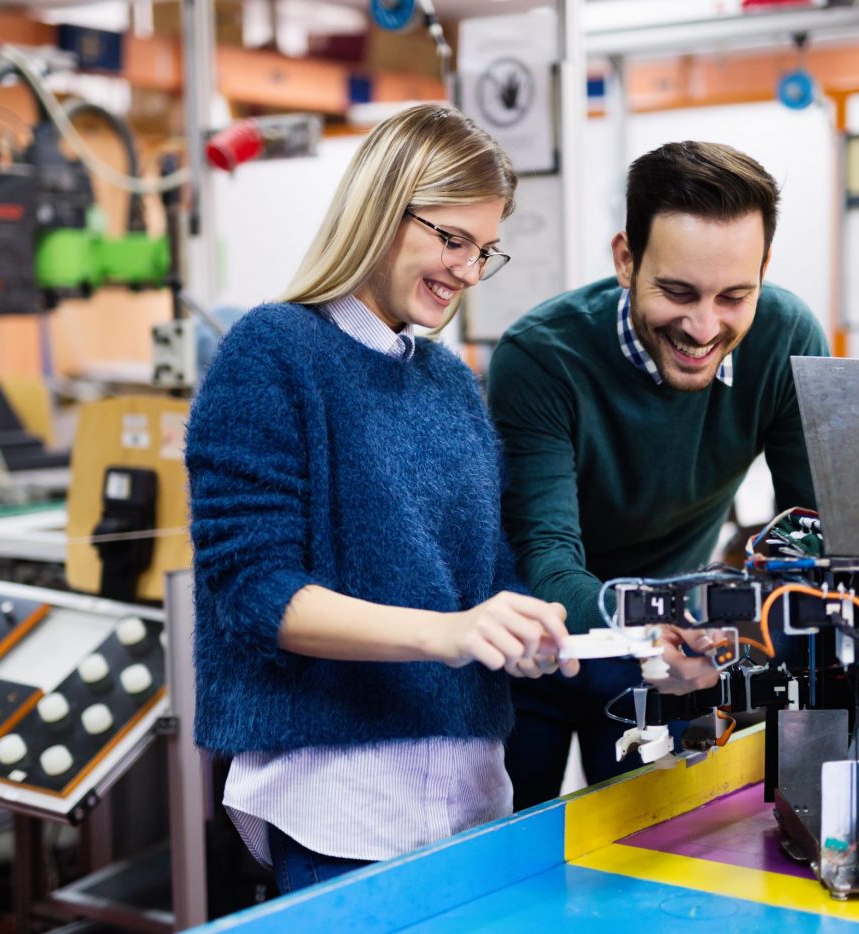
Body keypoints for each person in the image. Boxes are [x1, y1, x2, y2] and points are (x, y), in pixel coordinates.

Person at [186, 103, 579, 895]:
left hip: (471, 796)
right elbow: (257, 596)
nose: (468, 272)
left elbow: (487, 578)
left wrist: (539, 632)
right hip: (339, 806)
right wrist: (450, 633)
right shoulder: (273, 354)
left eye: (485, 251)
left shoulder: (448, 383)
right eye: (452, 239)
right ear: (381, 210)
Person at [487, 141, 829, 809]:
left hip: (670, 653)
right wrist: (657, 626)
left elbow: (809, 538)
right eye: (678, 292)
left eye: (735, 296)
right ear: (625, 259)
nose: (704, 327)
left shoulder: (787, 337)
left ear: (763, 271)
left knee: (656, 858)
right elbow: (551, 560)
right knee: (508, 863)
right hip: (542, 642)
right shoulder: (540, 358)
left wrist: (731, 636)